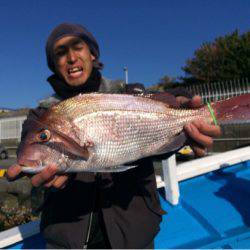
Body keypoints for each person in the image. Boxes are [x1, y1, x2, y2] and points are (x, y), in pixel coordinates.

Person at [7, 23, 221, 249]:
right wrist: (40, 187)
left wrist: (186, 107)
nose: (71, 58)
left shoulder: (126, 94)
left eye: (77, 47)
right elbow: (30, 171)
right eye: (60, 53)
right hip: (67, 241)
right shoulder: (38, 117)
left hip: (134, 236)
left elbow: (168, 101)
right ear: (53, 65)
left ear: (92, 54)